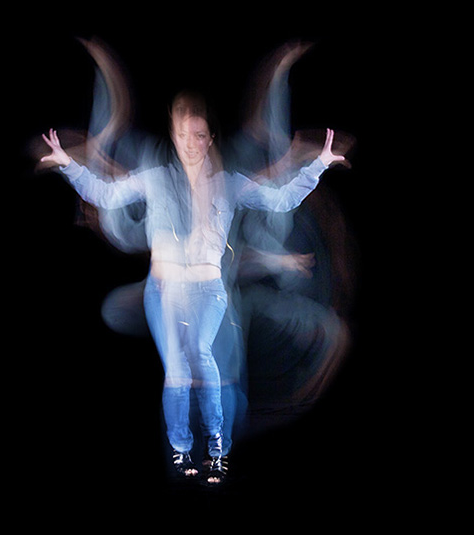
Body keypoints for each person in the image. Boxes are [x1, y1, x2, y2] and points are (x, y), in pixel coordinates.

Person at [41, 91, 347, 484]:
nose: (191, 143)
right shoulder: (155, 179)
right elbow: (106, 194)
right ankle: (181, 449)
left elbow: (280, 200)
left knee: (202, 356)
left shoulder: (228, 184)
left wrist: (319, 164)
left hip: (207, 289)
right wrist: (68, 164)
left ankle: (217, 450)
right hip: (164, 290)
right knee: (177, 369)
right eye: (184, 135)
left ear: (209, 139)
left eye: (199, 135)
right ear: (175, 137)